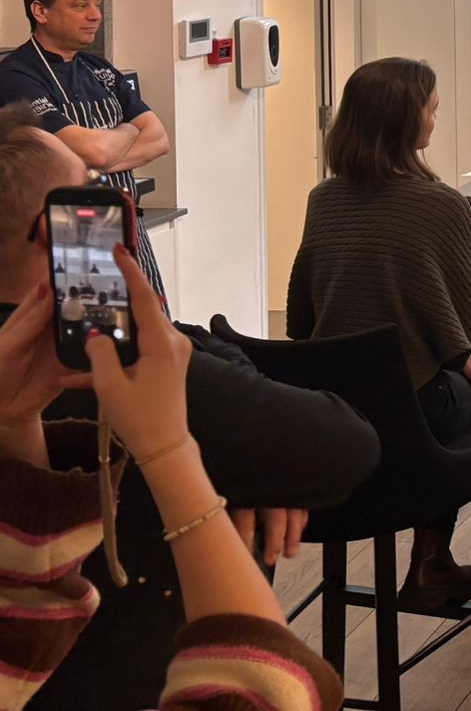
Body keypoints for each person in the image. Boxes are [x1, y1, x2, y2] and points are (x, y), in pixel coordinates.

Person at [0, 102, 378, 710]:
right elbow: (347, 444)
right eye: (94, 193)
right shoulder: (119, 368)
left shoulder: (21, 390)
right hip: (144, 677)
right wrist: (191, 458)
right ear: (61, 234)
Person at [287, 57, 471, 610]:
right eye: (431, 108)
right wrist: (459, 354)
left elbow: (299, 318)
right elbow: (462, 316)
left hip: (335, 407)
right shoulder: (441, 204)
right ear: (406, 123)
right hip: (411, 414)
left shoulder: (321, 199)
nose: (435, 117)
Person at [0, 0, 169, 294]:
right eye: (80, 6)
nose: (95, 16)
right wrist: (125, 132)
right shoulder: (17, 76)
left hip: (130, 225)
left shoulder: (100, 69)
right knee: (99, 341)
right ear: (40, 11)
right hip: (73, 239)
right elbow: (94, 151)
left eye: (97, 5)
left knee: (153, 331)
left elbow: (159, 138)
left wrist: (98, 157)